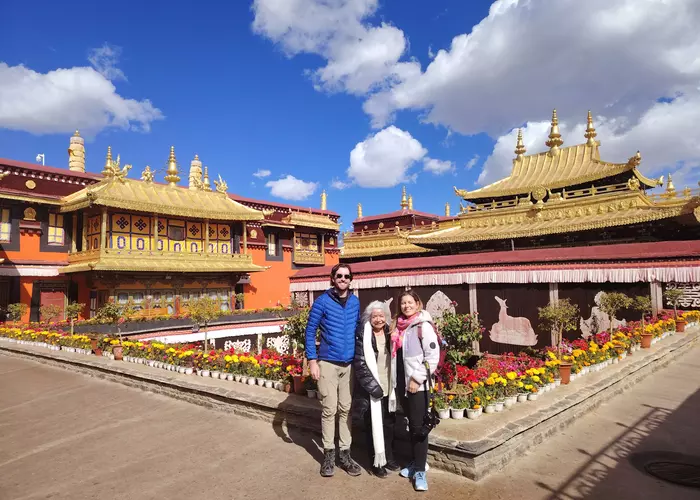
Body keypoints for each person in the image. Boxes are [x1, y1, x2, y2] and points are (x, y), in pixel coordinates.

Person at [306, 263, 362, 478]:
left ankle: (345, 455)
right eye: (339, 275)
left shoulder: (355, 302)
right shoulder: (322, 301)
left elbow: (359, 330)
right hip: (327, 363)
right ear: (332, 278)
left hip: (348, 365)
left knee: (346, 409)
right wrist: (312, 360)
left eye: (347, 276)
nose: (343, 279)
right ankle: (328, 455)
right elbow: (310, 331)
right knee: (329, 410)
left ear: (351, 279)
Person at [391, 289, 440, 492]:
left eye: (410, 302)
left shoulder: (423, 326)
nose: (407, 306)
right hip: (402, 384)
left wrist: (417, 379)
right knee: (412, 425)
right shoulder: (399, 327)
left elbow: (432, 357)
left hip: (417, 386)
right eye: (403, 303)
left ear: (417, 304)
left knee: (419, 428)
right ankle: (415, 462)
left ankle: (420, 470)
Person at [353, 299, 401, 478]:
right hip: (371, 389)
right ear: (369, 318)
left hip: (389, 386)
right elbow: (359, 363)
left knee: (389, 424)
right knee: (373, 425)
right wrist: (373, 387)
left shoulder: (390, 332)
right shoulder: (362, 334)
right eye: (375, 316)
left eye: (381, 316)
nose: (379, 319)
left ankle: (388, 456)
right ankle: (376, 461)